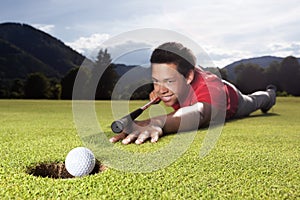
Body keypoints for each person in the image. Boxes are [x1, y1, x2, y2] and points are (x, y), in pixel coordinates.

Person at [109, 42, 276, 145]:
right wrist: (163, 90)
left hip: (233, 101)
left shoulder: (209, 87)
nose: (159, 89)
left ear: (189, 76)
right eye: (156, 80)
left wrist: (158, 122)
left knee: (256, 100)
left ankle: (270, 95)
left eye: (168, 81)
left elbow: (200, 113)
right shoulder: (172, 83)